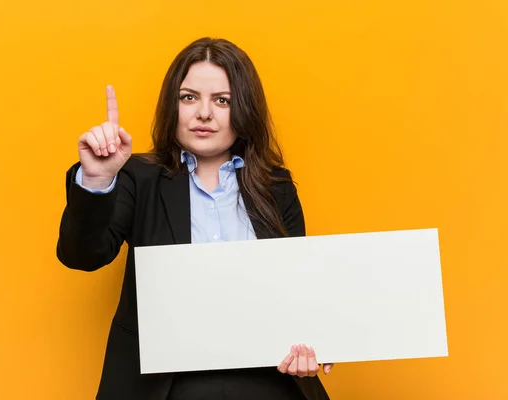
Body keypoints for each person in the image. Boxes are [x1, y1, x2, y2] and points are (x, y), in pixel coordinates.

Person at [56, 37, 333, 400]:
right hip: (165, 385)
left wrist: (310, 344)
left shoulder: (276, 186)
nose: (204, 113)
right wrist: (97, 178)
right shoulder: (137, 176)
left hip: (267, 381)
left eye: (223, 100)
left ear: (245, 109)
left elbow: (297, 294)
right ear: (173, 106)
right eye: (189, 97)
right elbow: (82, 255)